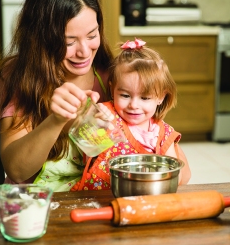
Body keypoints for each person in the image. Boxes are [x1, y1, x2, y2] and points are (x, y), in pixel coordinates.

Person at [0, 0, 114, 192]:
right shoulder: (19, 77)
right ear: (41, 39)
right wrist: (56, 121)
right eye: (69, 42)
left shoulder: (111, 74)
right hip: (36, 206)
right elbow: (17, 170)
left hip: (95, 202)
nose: (84, 51)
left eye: (92, 35)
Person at [72, 38, 191, 191]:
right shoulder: (105, 114)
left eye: (145, 98)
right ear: (113, 88)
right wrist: (93, 123)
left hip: (145, 197)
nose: (134, 105)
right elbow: (84, 147)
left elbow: (177, 177)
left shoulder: (163, 134)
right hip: (98, 196)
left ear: (161, 96)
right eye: (125, 96)